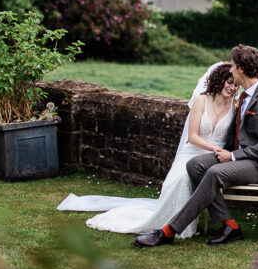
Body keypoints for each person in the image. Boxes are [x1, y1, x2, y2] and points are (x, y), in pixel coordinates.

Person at [57, 61, 238, 238]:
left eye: (237, 85)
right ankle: (170, 224)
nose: (233, 88)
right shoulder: (201, 100)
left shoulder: (234, 105)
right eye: (229, 82)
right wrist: (215, 147)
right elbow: (192, 137)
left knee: (202, 177)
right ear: (219, 79)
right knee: (179, 180)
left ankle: (183, 226)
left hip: (216, 157)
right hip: (194, 152)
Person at [134, 44, 258, 248]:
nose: (230, 70)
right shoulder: (242, 96)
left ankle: (168, 231)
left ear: (240, 69)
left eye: (232, 66)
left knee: (215, 173)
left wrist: (232, 157)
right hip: (242, 157)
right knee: (195, 165)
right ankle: (230, 225)